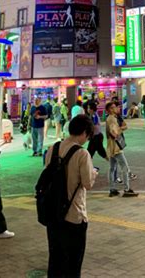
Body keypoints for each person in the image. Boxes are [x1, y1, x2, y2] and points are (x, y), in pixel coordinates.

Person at [45, 114, 97, 278]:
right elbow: (88, 183)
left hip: (53, 212)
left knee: (56, 259)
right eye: (88, 136)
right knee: (73, 262)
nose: (87, 139)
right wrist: (94, 172)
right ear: (83, 132)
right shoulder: (82, 154)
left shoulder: (53, 148)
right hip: (74, 214)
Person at [105, 102, 138, 198]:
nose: (114, 109)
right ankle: (126, 189)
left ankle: (112, 189)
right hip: (116, 147)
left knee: (112, 168)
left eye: (114, 107)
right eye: (112, 108)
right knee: (125, 167)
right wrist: (119, 131)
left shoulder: (112, 118)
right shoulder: (111, 119)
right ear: (108, 110)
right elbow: (113, 132)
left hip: (111, 147)